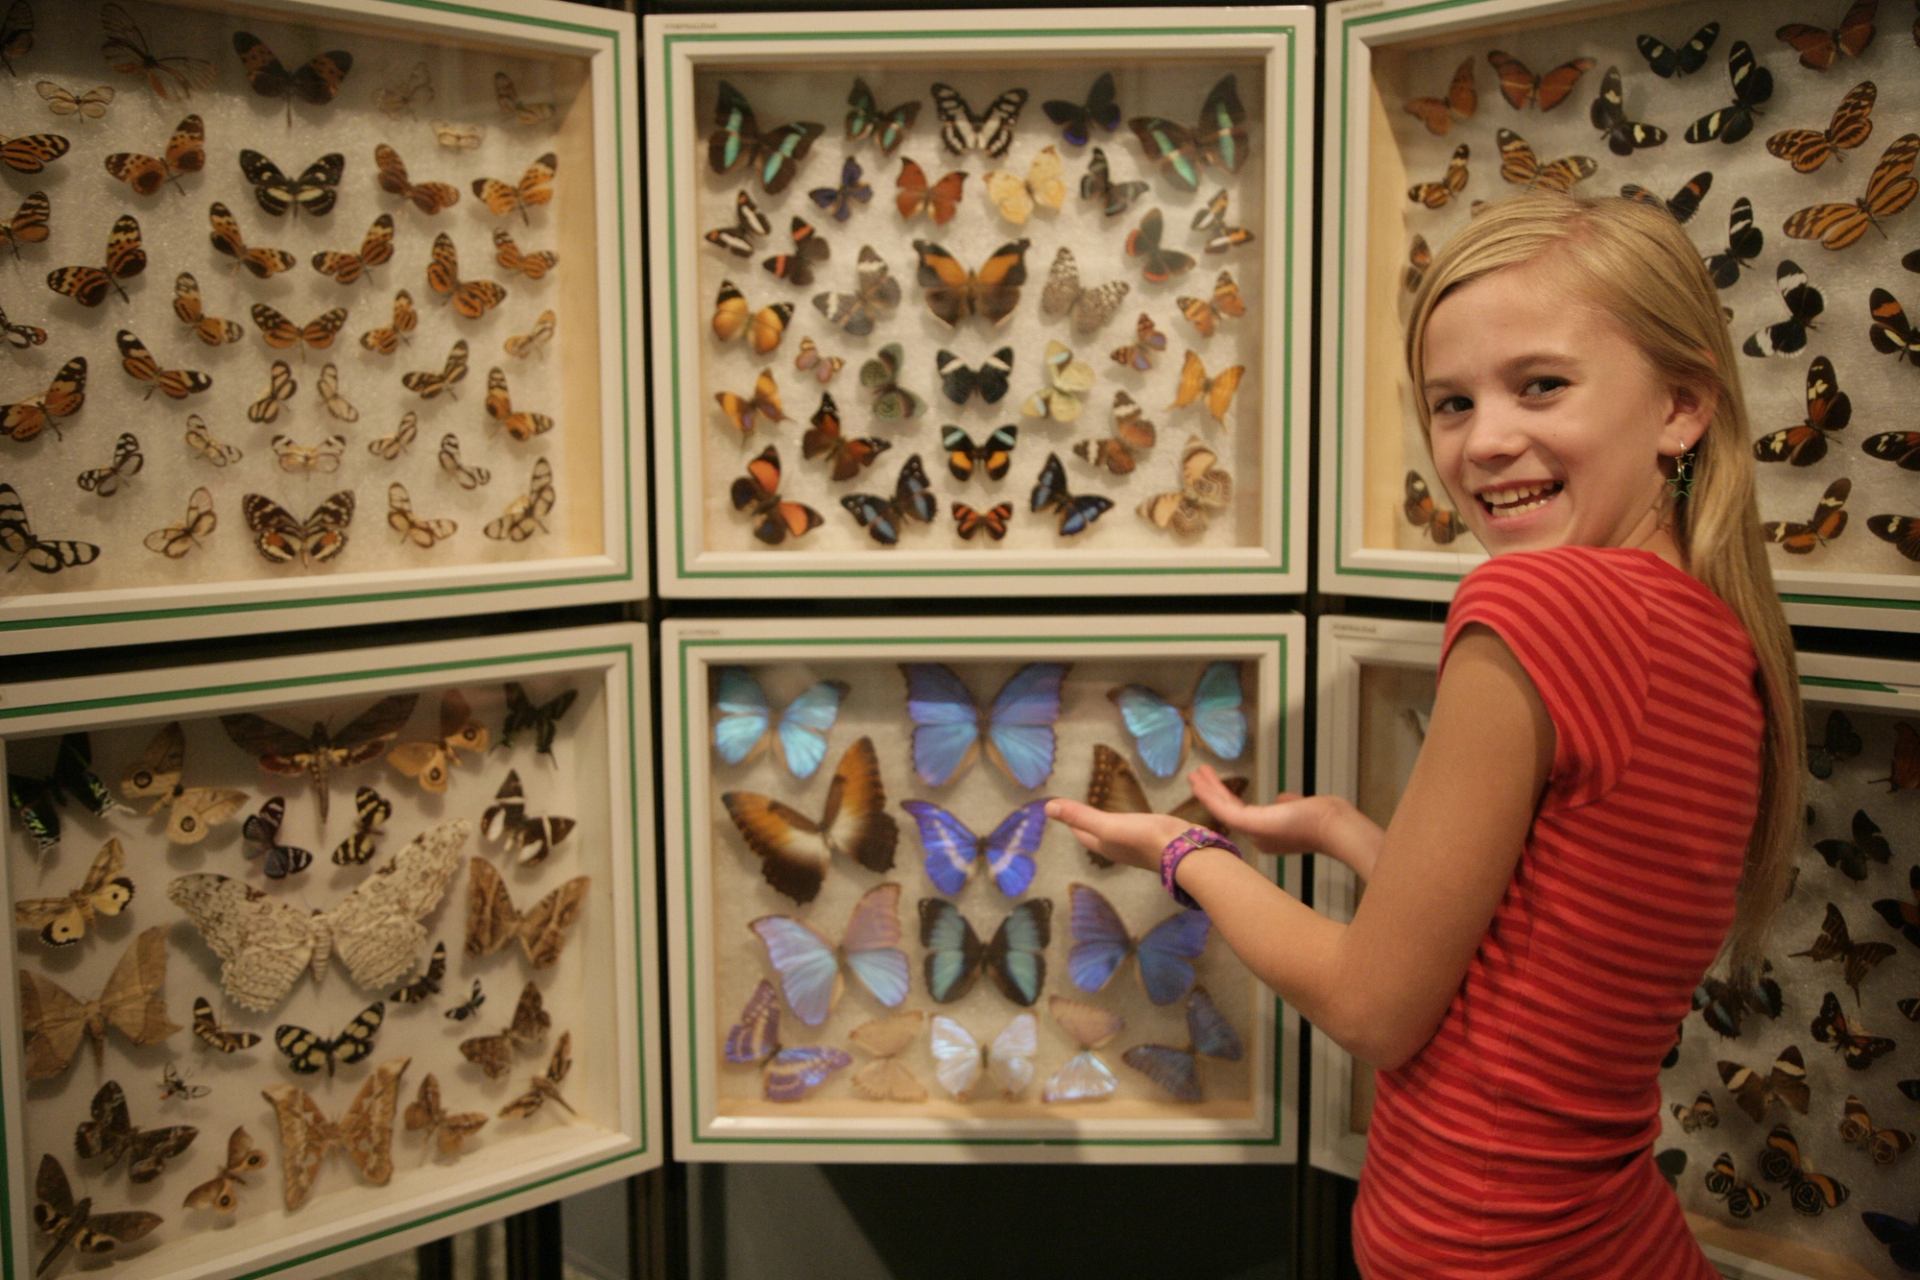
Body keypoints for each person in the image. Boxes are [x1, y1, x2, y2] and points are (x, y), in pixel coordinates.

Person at [1046, 192, 1804, 1277]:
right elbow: (1558, 947)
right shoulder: (1714, 635)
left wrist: (1181, 853)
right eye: (1450, 403)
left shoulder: (1542, 607)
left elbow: (1371, 1007)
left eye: (1540, 384)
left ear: (1682, 402)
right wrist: (1351, 831)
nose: (1487, 442)